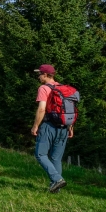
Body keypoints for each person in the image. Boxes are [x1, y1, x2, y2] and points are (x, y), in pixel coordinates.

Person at [31, 64, 73, 193]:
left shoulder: (44, 88)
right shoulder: (63, 89)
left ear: (45, 75)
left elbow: (42, 109)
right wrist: (70, 126)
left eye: (40, 74)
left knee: (40, 154)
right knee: (56, 158)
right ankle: (55, 189)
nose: (38, 76)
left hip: (49, 126)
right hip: (64, 127)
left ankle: (57, 179)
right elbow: (68, 110)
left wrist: (36, 125)